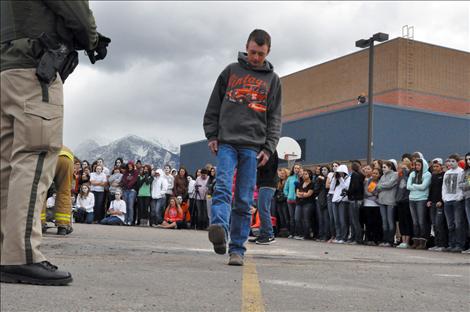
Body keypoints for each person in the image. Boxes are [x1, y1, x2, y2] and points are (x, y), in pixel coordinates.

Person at [0, 0, 109, 285]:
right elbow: (79, 16)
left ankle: (5, 252)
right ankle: (21, 256)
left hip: (5, 68)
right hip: (35, 67)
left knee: (7, 166)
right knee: (34, 158)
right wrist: (92, 39)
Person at [203, 29, 282, 266]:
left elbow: (275, 117)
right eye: (252, 52)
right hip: (227, 142)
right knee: (223, 188)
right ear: (246, 47)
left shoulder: (273, 80)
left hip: (252, 147)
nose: (256, 57)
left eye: (261, 53)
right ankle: (219, 229)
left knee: (245, 200)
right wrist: (212, 135)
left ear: (268, 52)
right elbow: (213, 106)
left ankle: (237, 249)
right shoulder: (231, 71)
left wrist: (268, 148)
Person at [40, 146, 75, 235]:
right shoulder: (65, 147)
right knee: (64, 192)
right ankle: (63, 227)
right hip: (67, 159)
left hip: (49, 158)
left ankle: (40, 224)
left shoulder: (44, 143)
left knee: (41, 191)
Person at [250, 151, 279, 245]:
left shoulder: (270, 151)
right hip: (265, 183)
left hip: (268, 183)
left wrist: (255, 164)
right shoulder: (268, 150)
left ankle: (268, 235)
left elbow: (267, 166)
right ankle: (263, 234)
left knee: (263, 209)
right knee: (263, 209)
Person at [407, 157, 432, 249]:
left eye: (419, 165)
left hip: (422, 199)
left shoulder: (427, 174)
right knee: (415, 222)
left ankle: (423, 242)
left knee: (421, 221)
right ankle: (416, 241)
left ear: (423, 165)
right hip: (412, 199)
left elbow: (423, 187)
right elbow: (408, 186)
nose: (417, 167)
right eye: (415, 165)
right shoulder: (412, 173)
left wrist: (413, 185)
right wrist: (416, 186)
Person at [442, 154, 465, 252]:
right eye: (450, 161)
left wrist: (460, 196)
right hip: (448, 200)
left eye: (453, 161)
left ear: (457, 162)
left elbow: (463, 185)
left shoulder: (461, 172)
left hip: (457, 200)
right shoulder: (447, 173)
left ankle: (459, 245)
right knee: (450, 224)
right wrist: (444, 197)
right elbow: (444, 186)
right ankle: (451, 244)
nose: (451, 163)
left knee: (458, 223)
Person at [427, 158, 448, 251]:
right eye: (434, 166)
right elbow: (431, 190)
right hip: (433, 203)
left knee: (440, 224)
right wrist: (429, 200)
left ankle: (442, 244)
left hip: (440, 203)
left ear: (441, 167)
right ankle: (437, 243)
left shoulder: (444, 176)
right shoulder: (433, 176)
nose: (435, 168)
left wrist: (441, 201)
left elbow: (444, 190)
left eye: (437, 166)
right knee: (434, 224)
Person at [377, 161, 399, 247]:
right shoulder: (382, 176)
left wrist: (380, 185)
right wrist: (380, 186)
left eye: (384, 167)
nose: (383, 169)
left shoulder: (395, 174)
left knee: (390, 221)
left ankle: (390, 240)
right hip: (381, 200)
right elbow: (377, 187)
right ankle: (385, 239)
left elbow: (390, 184)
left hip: (390, 201)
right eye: (382, 167)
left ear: (390, 167)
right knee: (384, 221)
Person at [395, 160, 413, 249]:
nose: (402, 170)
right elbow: (398, 190)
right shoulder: (399, 177)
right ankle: (403, 240)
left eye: (404, 168)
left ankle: (407, 241)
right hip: (400, 201)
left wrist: (405, 174)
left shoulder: (409, 177)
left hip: (406, 200)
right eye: (401, 168)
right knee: (401, 221)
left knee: (407, 221)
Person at [363, 167, 383, 246]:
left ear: (379, 175)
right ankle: (369, 239)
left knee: (376, 223)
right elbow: (366, 192)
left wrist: (374, 194)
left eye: (376, 173)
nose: (374, 175)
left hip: (376, 205)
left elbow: (379, 192)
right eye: (373, 173)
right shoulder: (368, 181)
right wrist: (373, 194)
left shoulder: (380, 182)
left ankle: (376, 239)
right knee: (368, 223)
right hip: (368, 204)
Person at [294, 169, 315, 240]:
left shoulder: (312, 183)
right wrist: (303, 194)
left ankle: (307, 235)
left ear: (310, 175)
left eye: (306, 174)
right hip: (299, 203)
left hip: (308, 203)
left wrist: (301, 194)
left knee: (306, 219)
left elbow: (309, 194)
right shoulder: (300, 183)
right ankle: (301, 234)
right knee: (297, 218)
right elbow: (297, 193)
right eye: (303, 174)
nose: (304, 175)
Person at [347, 161, 365, 244]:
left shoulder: (354, 175)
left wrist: (348, 192)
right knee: (356, 220)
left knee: (355, 220)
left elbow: (354, 187)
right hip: (359, 199)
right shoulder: (361, 175)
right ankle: (356, 238)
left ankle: (357, 239)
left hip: (354, 199)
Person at [284, 164, 301, 239]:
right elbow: (285, 189)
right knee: (291, 217)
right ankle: (292, 233)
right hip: (290, 200)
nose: (296, 169)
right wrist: (287, 195)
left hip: (298, 200)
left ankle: (298, 233)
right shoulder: (290, 178)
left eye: (298, 168)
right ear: (293, 169)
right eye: (295, 168)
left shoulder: (301, 177)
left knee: (297, 217)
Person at [458, 153, 470, 253]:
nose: (469, 161)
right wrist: (467, 184)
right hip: (467, 197)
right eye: (467, 159)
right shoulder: (465, 171)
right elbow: (461, 184)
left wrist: (466, 184)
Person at [122, 161, 139, 226]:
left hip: (132, 190)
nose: (129, 166)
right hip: (125, 190)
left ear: (132, 165)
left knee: (130, 206)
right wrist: (126, 184)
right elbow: (124, 179)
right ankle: (125, 220)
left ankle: (130, 220)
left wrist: (128, 184)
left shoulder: (135, 172)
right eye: (128, 165)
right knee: (125, 206)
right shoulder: (125, 172)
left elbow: (134, 180)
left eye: (130, 165)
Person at [275, 168, 290, 237]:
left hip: (285, 201)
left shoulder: (287, 180)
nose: (281, 174)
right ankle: (283, 231)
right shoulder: (279, 181)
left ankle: (288, 231)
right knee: (281, 217)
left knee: (286, 216)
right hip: (279, 201)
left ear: (286, 173)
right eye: (280, 173)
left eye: (283, 173)